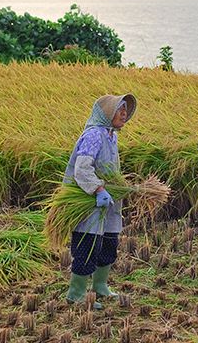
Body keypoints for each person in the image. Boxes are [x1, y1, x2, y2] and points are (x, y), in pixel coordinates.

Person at [63, 94, 137, 308]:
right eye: (119, 110)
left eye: (125, 110)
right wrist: (98, 189)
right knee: (88, 245)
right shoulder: (94, 135)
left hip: (108, 200)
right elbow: (82, 169)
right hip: (89, 200)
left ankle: (100, 286)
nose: (124, 114)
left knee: (109, 243)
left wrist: (120, 187)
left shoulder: (111, 135)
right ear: (106, 114)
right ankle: (75, 294)